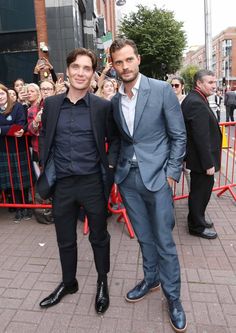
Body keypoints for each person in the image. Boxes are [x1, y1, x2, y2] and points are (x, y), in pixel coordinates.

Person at [110, 38, 187, 333]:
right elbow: (120, 138)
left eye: (129, 60)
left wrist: (171, 174)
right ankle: (151, 278)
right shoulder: (116, 100)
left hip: (157, 179)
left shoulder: (161, 90)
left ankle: (174, 297)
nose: (124, 66)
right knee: (143, 237)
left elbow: (178, 136)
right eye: (119, 62)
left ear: (138, 59)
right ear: (113, 65)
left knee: (164, 241)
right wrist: (114, 168)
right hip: (128, 180)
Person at [38, 48, 120, 314]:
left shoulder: (102, 107)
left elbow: (115, 140)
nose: (81, 73)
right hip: (62, 184)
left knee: (99, 237)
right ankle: (69, 282)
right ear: (68, 70)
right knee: (64, 239)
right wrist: (44, 161)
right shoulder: (51, 105)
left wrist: (109, 168)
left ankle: (102, 282)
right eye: (76, 67)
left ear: (93, 73)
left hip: (92, 184)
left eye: (87, 68)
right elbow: (44, 136)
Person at [181, 69, 222, 240]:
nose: (214, 86)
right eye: (210, 82)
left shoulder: (197, 98)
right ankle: (196, 226)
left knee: (201, 191)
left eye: (215, 82)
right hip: (201, 160)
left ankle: (199, 219)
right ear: (199, 83)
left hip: (200, 158)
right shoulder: (196, 102)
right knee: (200, 193)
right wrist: (208, 164)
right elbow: (200, 137)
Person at [0, 84, 33, 222]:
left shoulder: (17, 106)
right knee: (11, 181)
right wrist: (9, 130)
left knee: (22, 179)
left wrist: (2, 130)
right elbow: (12, 128)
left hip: (19, 149)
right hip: (3, 150)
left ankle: (26, 207)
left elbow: (20, 125)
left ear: (6, 94)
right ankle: (18, 209)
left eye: (1, 94)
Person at [171, 76, 190, 191]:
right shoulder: (167, 100)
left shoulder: (187, 101)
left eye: (176, 85)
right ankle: (168, 199)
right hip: (171, 142)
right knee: (171, 172)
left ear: (182, 86)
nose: (174, 88)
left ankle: (194, 201)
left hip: (186, 142)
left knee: (188, 171)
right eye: (172, 85)